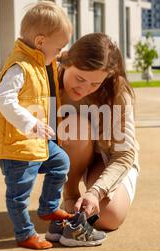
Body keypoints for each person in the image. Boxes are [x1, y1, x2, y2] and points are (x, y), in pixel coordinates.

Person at [0, 1, 73, 250]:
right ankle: (24, 234)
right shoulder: (19, 67)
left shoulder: (36, 62)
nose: (59, 54)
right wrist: (31, 123)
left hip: (34, 142)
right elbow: (2, 98)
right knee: (18, 195)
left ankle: (48, 207)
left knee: (61, 162)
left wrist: (64, 55)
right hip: (16, 146)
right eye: (58, 48)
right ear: (41, 42)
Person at [58, 33, 140, 232]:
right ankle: (70, 196)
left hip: (109, 159)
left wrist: (95, 192)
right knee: (76, 126)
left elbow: (124, 153)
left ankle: (89, 195)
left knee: (108, 218)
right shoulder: (46, 77)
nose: (84, 89)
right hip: (70, 153)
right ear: (67, 60)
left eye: (95, 84)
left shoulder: (117, 90)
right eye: (80, 78)